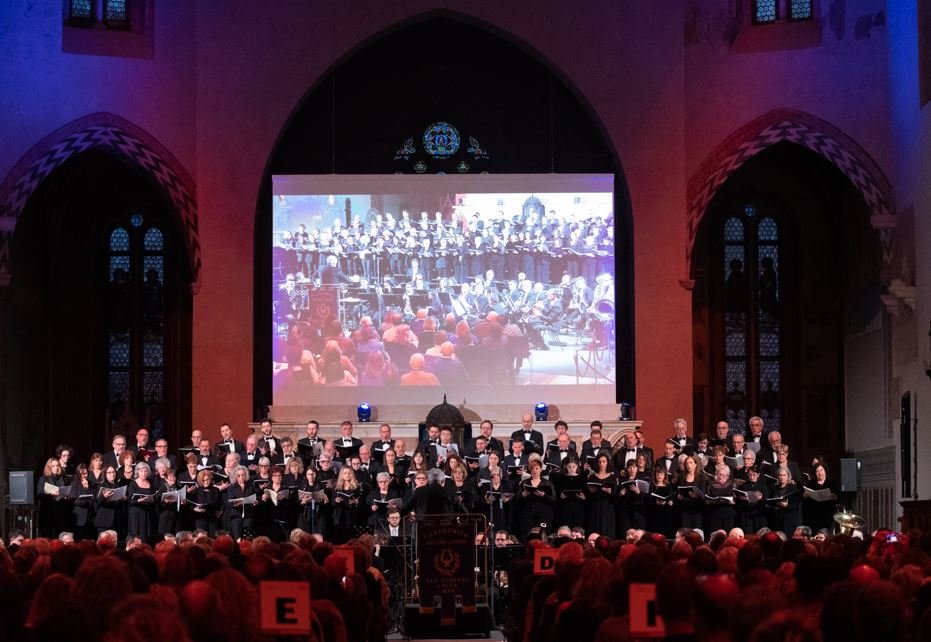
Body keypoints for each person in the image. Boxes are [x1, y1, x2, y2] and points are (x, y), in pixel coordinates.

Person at [515, 457, 555, 540]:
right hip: (528, 513)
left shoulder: (547, 483)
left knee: (543, 535)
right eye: (532, 469)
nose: (535, 470)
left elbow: (554, 499)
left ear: (541, 470)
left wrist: (544, 495)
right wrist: (523, 495)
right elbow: (517, 499)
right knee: (527, 535)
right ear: (530, 470)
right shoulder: (524, 482)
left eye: (537, 468)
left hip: (544, 513)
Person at [585, 452, 616, 539]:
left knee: (606, 530)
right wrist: (592, 491)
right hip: (595, 506)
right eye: (600, 462)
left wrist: (610, 492)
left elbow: (615, 496)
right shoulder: (592, 477)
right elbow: (588, 496)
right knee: (595, 529)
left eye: (604, 461)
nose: (602, 464)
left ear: (607, 463)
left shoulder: (612, 477)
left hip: (607, 507)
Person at [802, 461, 838, 533]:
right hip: (814, 514)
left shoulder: (832, 482)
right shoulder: (810, 483)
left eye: (821, 470)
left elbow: (838, 496)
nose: (820, 473)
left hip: (827, 513)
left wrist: (834, 496)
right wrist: (805, 495)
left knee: (826, 533)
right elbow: (804, 497)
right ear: (815, 473)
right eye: (817, 471)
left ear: (825, 471)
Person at [37, 457, 68, 538]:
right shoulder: (44, 479)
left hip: (60, 514)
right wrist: (50, 494)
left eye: (57, 465)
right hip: (48, 514)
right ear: (49, 468)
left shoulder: (62, 479)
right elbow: (39, 495)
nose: (56, 468)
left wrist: (66, 496)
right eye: (53, 466)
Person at [330, 465, 363, 542]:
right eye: (345, 473)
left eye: (349, 473)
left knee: (350, 539)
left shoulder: (356, 487)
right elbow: (332, 503)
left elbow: (361, 503)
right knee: (339, 539)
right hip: (339, 516)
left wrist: (356, 502)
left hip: (352, 515)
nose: (347, 475)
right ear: (341, 475)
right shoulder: (336, 487)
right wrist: (336, 500)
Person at [553, 455, 586, 530]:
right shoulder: (561, 478)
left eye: (573, 466)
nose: (571, 469)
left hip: (578, 507)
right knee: (565, 527)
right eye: (569, 467)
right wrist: (560, 496)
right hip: (565, 507)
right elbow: (557, 492)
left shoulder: (582, 478)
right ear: (566, 467)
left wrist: (583, 497)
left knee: (577, 528)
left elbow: (586, 494)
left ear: (577, 466)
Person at [94, 465, 127, 539]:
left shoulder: (119, 485)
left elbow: (121, 503)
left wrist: (124, 499)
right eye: (109, 472)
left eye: (113, 472)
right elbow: (97, 502)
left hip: (117, 520)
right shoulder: (101, 486)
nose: (112, 474)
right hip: (104, 520)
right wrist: (104, 497)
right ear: (105, 475)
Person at [127, 462, 157, 540]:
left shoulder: (150, 483)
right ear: (137, 472)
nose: (144, 473)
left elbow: (154, 496)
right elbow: (129, 501)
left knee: (145, 537)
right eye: (141, 471)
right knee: (136, 537)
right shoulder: (133, 483)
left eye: (145, 471)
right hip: (136, 513)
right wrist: (138, 501)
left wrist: (152, 499)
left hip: (147, 513)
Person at [189, 469, 222, 536]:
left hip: (213, 518)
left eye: (207, 480)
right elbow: (191, 505)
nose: (206, 482)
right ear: (200, 481)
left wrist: (221, 511)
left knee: (213, 538)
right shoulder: (197, 491)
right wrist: (195, 509)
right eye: (203, 480)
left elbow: (221, 503)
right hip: (201, 518)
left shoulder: (216, 490)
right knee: (201, 538)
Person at [298, 465, 329, 538]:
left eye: (312, 474)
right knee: (306, 534)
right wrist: (303, 502)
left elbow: (326, 503)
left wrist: (325, 500)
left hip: (318, 513)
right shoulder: (303, 486)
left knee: (317, 534)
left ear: (316, 474)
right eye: (308, 474)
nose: (311, 476)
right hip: (306, 512)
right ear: (306, 475)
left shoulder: (321, 486)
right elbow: (298, 503)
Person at [226, 465, 255, 541]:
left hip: (248, 515)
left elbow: (254, 498)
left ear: (246, 475)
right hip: (236, 515)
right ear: (235, 477)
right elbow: (230, 501)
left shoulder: (250, 486)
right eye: (238, 476)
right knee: (237, 539)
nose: (241, 477)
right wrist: (237, 503)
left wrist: (255, 502)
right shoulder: (231, 487)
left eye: (243, 475)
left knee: (247, 539)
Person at [69, 463, 96, 540]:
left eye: (85, 473)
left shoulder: (91, 484)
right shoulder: (75, 484)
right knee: (79, 539)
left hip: (90, 516)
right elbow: (73, 500)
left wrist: (87, 488)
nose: (84, 476)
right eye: (81, 474)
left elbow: (94, 498)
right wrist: (84, 501)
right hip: (79, 516)